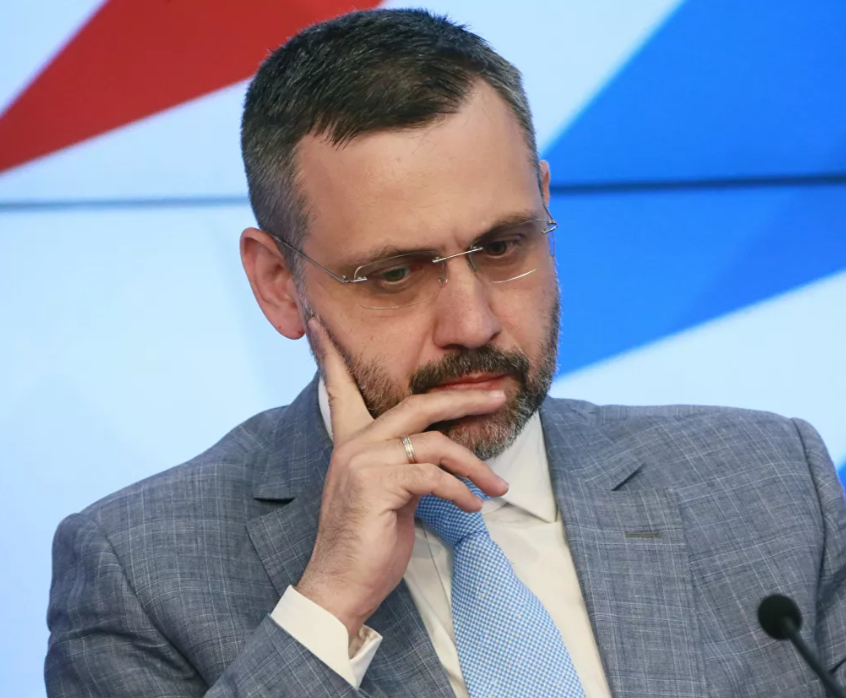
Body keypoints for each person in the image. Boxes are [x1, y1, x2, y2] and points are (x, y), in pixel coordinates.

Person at [45, 8, 846, 698]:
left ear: (543, 203)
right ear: (280, 283)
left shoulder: (772, 485)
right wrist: (326, 606)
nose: (473, 322)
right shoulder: (137, 575)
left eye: (502, 246)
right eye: (395, 273)